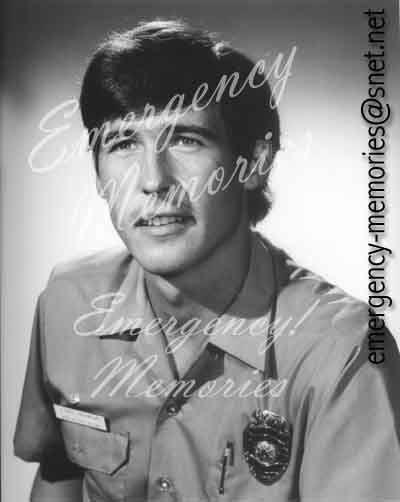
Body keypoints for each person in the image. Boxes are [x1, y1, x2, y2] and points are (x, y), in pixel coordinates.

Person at [14, 19, 400, 502]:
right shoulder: (68, 301)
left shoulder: (343, 352)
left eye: (186, 140)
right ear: (97, 173)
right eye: (123, 143)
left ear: (254, 162)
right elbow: (59, 473)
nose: (152, 181)